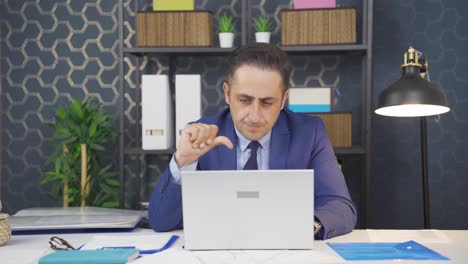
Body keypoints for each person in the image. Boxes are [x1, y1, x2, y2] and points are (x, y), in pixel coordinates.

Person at [148, 43, 356, 240]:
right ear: (228, 94)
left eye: (267, 102)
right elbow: (161, 222)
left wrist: (304, 226)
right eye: (245, 100)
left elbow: (341, 206)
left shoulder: (309, 133)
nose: (255, 116)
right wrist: (182, 162)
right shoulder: (201, 137)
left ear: (283, 100)